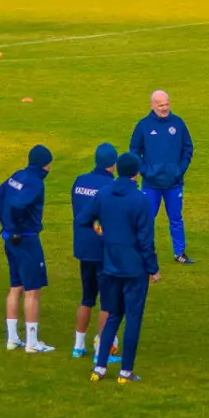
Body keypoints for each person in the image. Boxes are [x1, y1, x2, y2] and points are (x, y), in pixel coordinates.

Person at [76, 153, 161, 383]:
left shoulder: (103, 194)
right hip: (134, 268)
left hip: (110, 265)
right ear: (136, 173)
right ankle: (125, 371)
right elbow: (145, 240)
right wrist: (153, 268)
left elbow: (83, 219)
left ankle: (100, 367)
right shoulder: (141, 199)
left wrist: (99, 227)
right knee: (133, 318)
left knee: (113, 315)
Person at [0, 145, 56, 353]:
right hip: (27, 240)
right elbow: (18, 205)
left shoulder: (18, 175)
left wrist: (6, 225)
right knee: (33, 291)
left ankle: (12, 339)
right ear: (45, 164)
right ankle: (32, 342)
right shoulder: (36, 183)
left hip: (10, 239)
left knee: (15, 287)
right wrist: (15, 227)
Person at [129, 90, 195, 265]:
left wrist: (180, 169)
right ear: (152, 105)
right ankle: (144, 252)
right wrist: (145, 171)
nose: (164, 108)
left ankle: (179, 252)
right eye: (160, 105)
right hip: (151, 184)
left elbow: (188, 148)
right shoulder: (143, 126)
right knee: (147, 219)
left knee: (176, 218)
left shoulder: (178, 123)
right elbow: (134, 151)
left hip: (174, 183)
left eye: (166, 104)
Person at [70, 144, 119, 360]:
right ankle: (102, 349)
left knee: (86, 298)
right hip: (103, 250)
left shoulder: (79, 181)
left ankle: (78, 346)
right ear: (113, 164)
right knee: (108, 302)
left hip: (83, 248)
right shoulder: (111, 186)